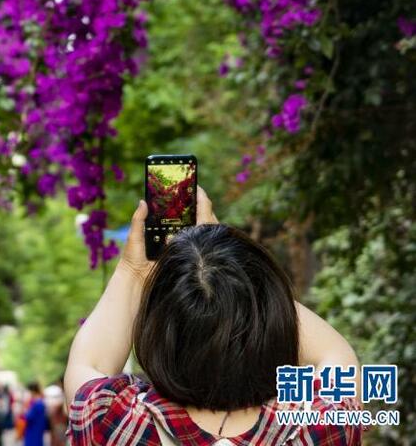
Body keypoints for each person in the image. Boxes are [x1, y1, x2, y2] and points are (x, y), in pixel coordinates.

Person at [64, 187, 364, 445]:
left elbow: (89, 362)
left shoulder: (114, 424)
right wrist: (238, 274)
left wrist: (133, 270)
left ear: (157, 332)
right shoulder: (319, 427)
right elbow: (335, 353)